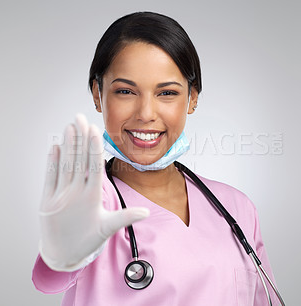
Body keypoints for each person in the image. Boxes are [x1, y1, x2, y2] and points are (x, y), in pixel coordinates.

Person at [32, 11, 282, 306]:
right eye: (125, 91)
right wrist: (59, 255)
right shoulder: (89, 206)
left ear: (192, 99)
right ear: (98, 95)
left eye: (167, 93)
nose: (146, 113)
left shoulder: (237, 207)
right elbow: (46, 280)